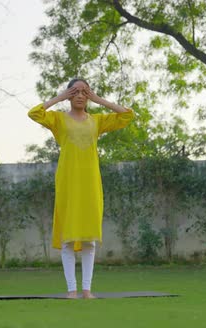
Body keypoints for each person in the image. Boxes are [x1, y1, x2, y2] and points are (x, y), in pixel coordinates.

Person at [27, 78, 135, 299]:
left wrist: (97, 99)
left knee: (89, 239)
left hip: (90, 184)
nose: (79, 95)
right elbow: (34, 113)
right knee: (68, 238)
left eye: (83, 92)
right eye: (75, 91)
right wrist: (59, 97)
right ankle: (71, 290)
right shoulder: (58, 119)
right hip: (68, 182)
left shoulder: (96, 121)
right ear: (69, 95)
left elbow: (126, 115)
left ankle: (87, 290)